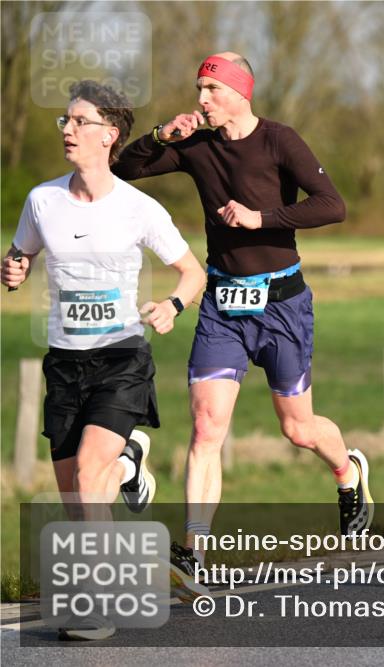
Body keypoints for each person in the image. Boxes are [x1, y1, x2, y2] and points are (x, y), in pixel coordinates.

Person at [112, 52, 373, 599]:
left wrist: (264, 218)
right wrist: (162, 133)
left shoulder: (279, 140)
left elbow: (333, 206)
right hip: (222, 309)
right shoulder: (194, 141)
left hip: (283, 306)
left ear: (239, 92)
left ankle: (348, 470)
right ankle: (195, 553)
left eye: (211, 89)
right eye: (198, 88)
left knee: (297, 429)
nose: (201, 99)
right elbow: (123, 169)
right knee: (207, 429)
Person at [1, 80, 205, 640]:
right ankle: (129, 464)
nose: (66, 129)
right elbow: (20, 253)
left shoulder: (139, 208)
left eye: (78, 121)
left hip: (120, 357)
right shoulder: (42, 200)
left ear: (108, 135)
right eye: (64, 121)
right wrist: (12, 269)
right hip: (64, 363)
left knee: (90, 480)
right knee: (78, 497)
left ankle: (98, 605)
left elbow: (194, 272)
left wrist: (171, 305)